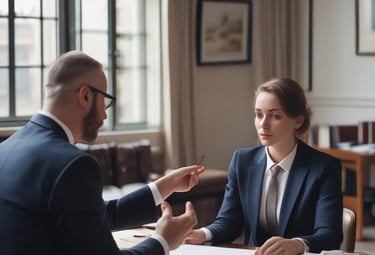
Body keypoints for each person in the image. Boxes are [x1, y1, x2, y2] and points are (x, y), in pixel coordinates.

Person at [0, 51, 205, 255]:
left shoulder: (6, 148)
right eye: (105, 100)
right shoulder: (73, 164)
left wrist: (165, 185)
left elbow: (91, 214)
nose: (105, 113)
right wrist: (163, 241)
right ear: (85, 95)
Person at [184, 77, 343, 254]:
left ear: (297, 121)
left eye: (275, 116)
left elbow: (330, 235)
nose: (263, 124)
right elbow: (229, 222)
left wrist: (297, 244)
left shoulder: (324, 167)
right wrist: (202, 234)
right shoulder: (242, 160)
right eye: (259, 114)